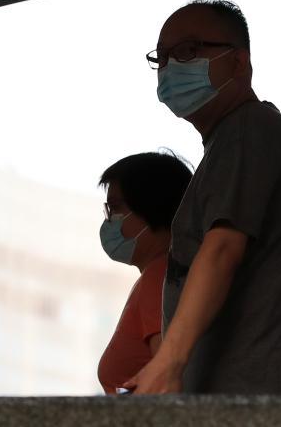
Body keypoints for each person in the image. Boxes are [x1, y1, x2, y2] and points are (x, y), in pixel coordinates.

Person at [124, 0, 281, 395]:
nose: (170, 67)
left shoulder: (249, 129)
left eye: (187, 51)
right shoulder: (235, 142)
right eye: (161, 58)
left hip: (248, 405)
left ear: (239, 62)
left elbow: (221, 249)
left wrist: (167, 363)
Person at [96, 150, 192, 395]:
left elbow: (166, 385)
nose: (109, 220)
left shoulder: (161, 277)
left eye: (115, 208)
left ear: (151, 208)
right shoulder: (161, 275)